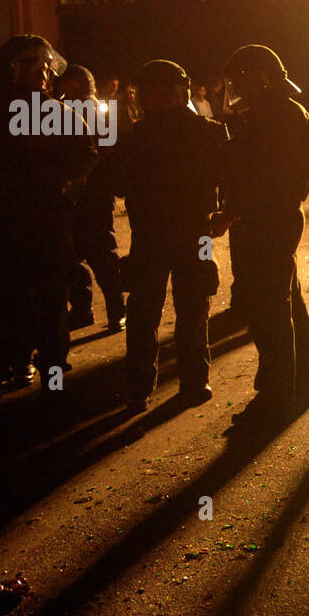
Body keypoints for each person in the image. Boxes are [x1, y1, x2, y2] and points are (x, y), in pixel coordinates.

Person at [0, 35, 97, 409]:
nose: (43, 71)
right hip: (7, 227)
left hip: (35, 225)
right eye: (33, 63)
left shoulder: (48, 114)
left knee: (44, 305)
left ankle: (44, 379)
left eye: (44, 63)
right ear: (13, 67)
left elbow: (85, 158)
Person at [119, 60, 227, 412]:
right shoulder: (202, 131)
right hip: (175, 233)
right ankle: (188, 383)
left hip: (174, 232)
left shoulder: (200, 131)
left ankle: (151, 387)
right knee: (175, 311)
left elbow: (228, 176)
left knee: (164, 312)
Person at [222, 44, 309, 423]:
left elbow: (264, 178)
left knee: (270, 311)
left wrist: (238, 207)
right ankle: (298, 385)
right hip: (268, 218)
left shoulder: (277, 117)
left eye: (240, 81)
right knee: (284, 304)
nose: (236, 89)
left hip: (268, 222)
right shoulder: (277, 113)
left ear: (258, 79)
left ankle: (277, 396)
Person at [57, 65, 125, 332]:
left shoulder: (89, 110)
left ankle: (114, 310)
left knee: (99, 254)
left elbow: (104, 153)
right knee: (76, 256)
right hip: (80, 194)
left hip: (91, 194)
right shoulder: (66, 109)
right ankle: (90, 309)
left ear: (74, 84)